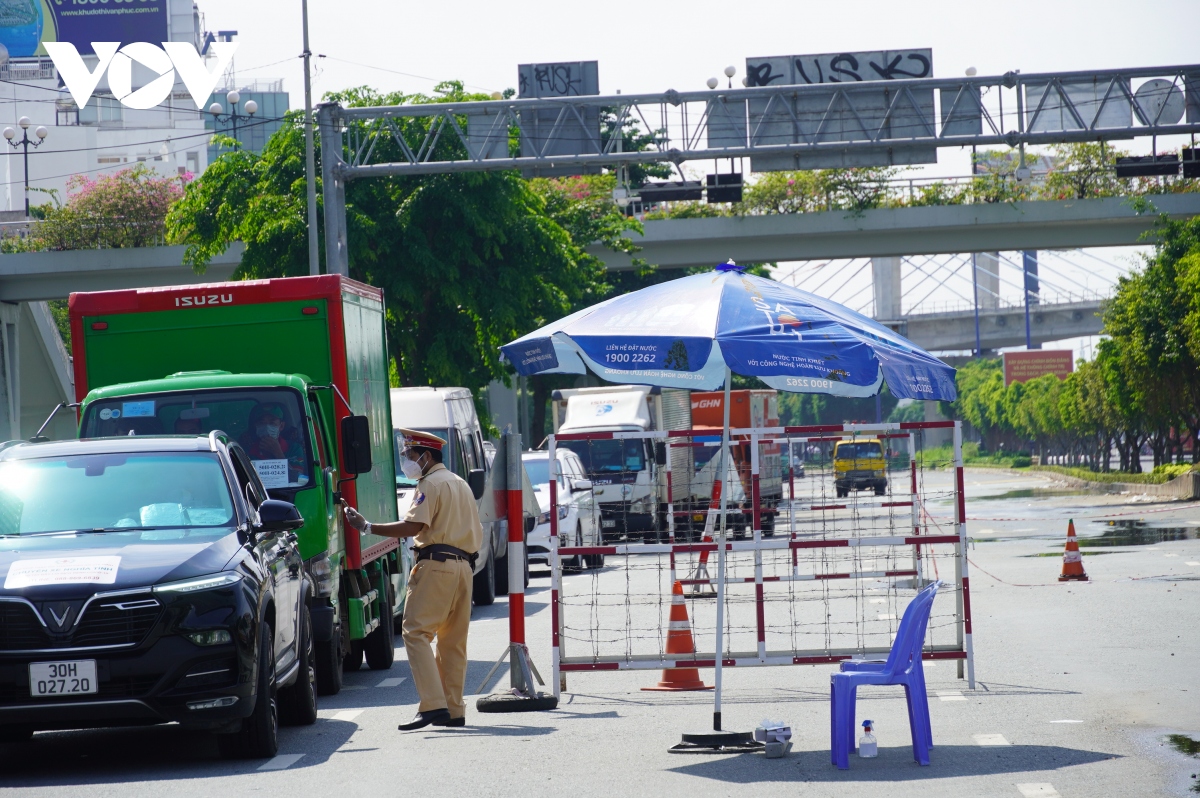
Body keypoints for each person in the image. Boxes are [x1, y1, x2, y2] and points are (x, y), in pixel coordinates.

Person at [343, 428, 482, 731]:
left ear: (426, 456)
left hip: (437, 566)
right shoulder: (458, 483)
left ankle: (434, 706)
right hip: (463, 568)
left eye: (408, 455)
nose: (406, 461)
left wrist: (367, 526)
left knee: (415, 633)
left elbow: (414, 526)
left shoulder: (430, 483)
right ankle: (455, 710)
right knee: (452, 643)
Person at [239, 403, 306, 483]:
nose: (267, 426)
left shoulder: (294, 448)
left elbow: (298, 479)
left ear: (281, 426)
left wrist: (278, 453)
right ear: (256, 426)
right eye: (262, 423)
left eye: (272, 423)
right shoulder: (246, 452)